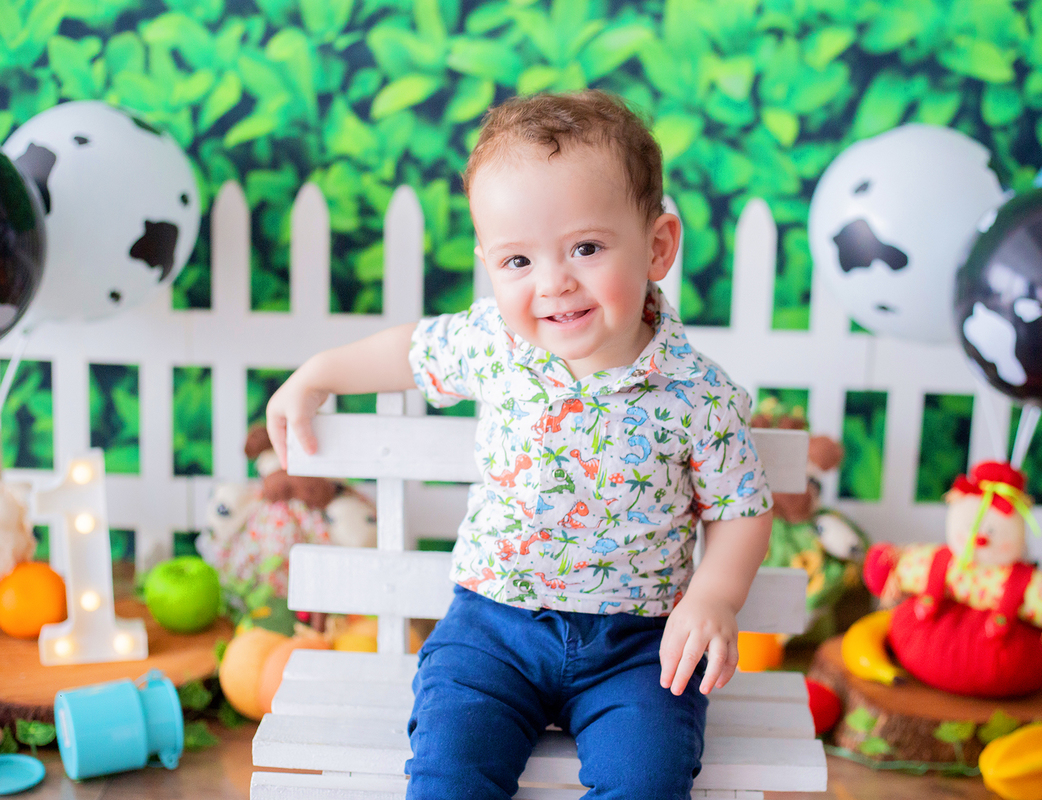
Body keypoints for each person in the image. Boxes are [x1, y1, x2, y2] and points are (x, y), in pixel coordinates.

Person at [266, 90, 774, 799]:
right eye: (517, 261)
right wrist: (318, 374)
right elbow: (408, 352)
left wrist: (714, 596)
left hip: (638, 646)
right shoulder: (495, 343)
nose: (554, 282)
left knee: (647, 780)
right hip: (491, 631)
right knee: (450, 769)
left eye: (587, 248)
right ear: (488, 264)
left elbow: (741, 507)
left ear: (658, 245)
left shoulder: (698, 393)